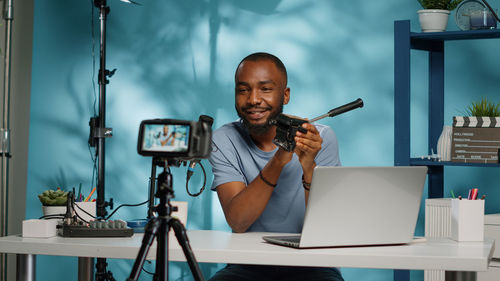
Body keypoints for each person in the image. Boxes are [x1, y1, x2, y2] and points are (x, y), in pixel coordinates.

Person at [208, 52, 344, 281]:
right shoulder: (224, 139)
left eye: (265, 89)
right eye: (243, 90)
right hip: (247, 264)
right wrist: (280, 158)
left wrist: (309, 167)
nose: (253, 99)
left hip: (313, 264)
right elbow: (238, 222)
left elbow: (327, 228)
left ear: (286, 95)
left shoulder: (322, 139)